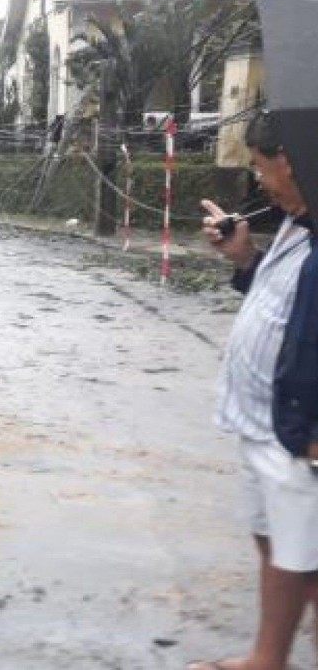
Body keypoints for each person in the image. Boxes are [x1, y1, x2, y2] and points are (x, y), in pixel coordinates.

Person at [192, 110, 318, 670]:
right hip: (261, 421)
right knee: (276, 545)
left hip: (298, 434)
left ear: (290, 162)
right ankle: (268, 660)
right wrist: (244, 259)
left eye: (263, 167)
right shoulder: (297, 221)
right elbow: (286, 312)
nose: (259, 180)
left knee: (308, 563)